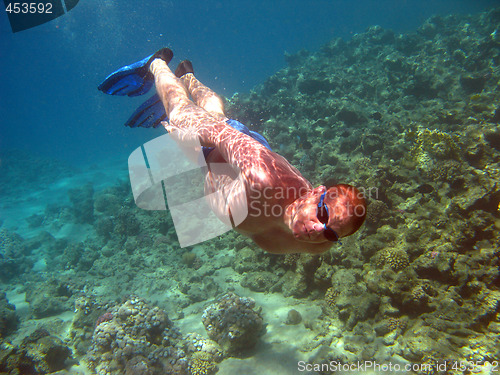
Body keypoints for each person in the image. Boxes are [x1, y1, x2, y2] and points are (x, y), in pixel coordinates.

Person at [98, 48, 366, 254]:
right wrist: (185, 135)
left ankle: (187, 75)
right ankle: (156, 63)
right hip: (221, 151)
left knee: (217, 114)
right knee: (184, 114)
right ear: (317, 192)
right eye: (322, 215)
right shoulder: (262, 178)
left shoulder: (320, 244)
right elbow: (218, 132)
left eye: (331, 233)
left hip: (244, 154)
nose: (319, 230)